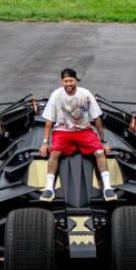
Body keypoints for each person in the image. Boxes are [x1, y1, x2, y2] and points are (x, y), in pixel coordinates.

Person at [37, 68, 116, 202]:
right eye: (65, 81)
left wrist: (103, 141)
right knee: (54, 153)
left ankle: (107, 188)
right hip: (62, 131)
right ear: (62, 81)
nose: (68, 84)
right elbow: (49, 121)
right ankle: (49, 189)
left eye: (71, 81)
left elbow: (97, 119)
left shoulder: (85, 94)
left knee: (99, 152)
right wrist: (45, 142)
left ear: (76, 80)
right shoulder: (56, 95)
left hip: (83, 130)